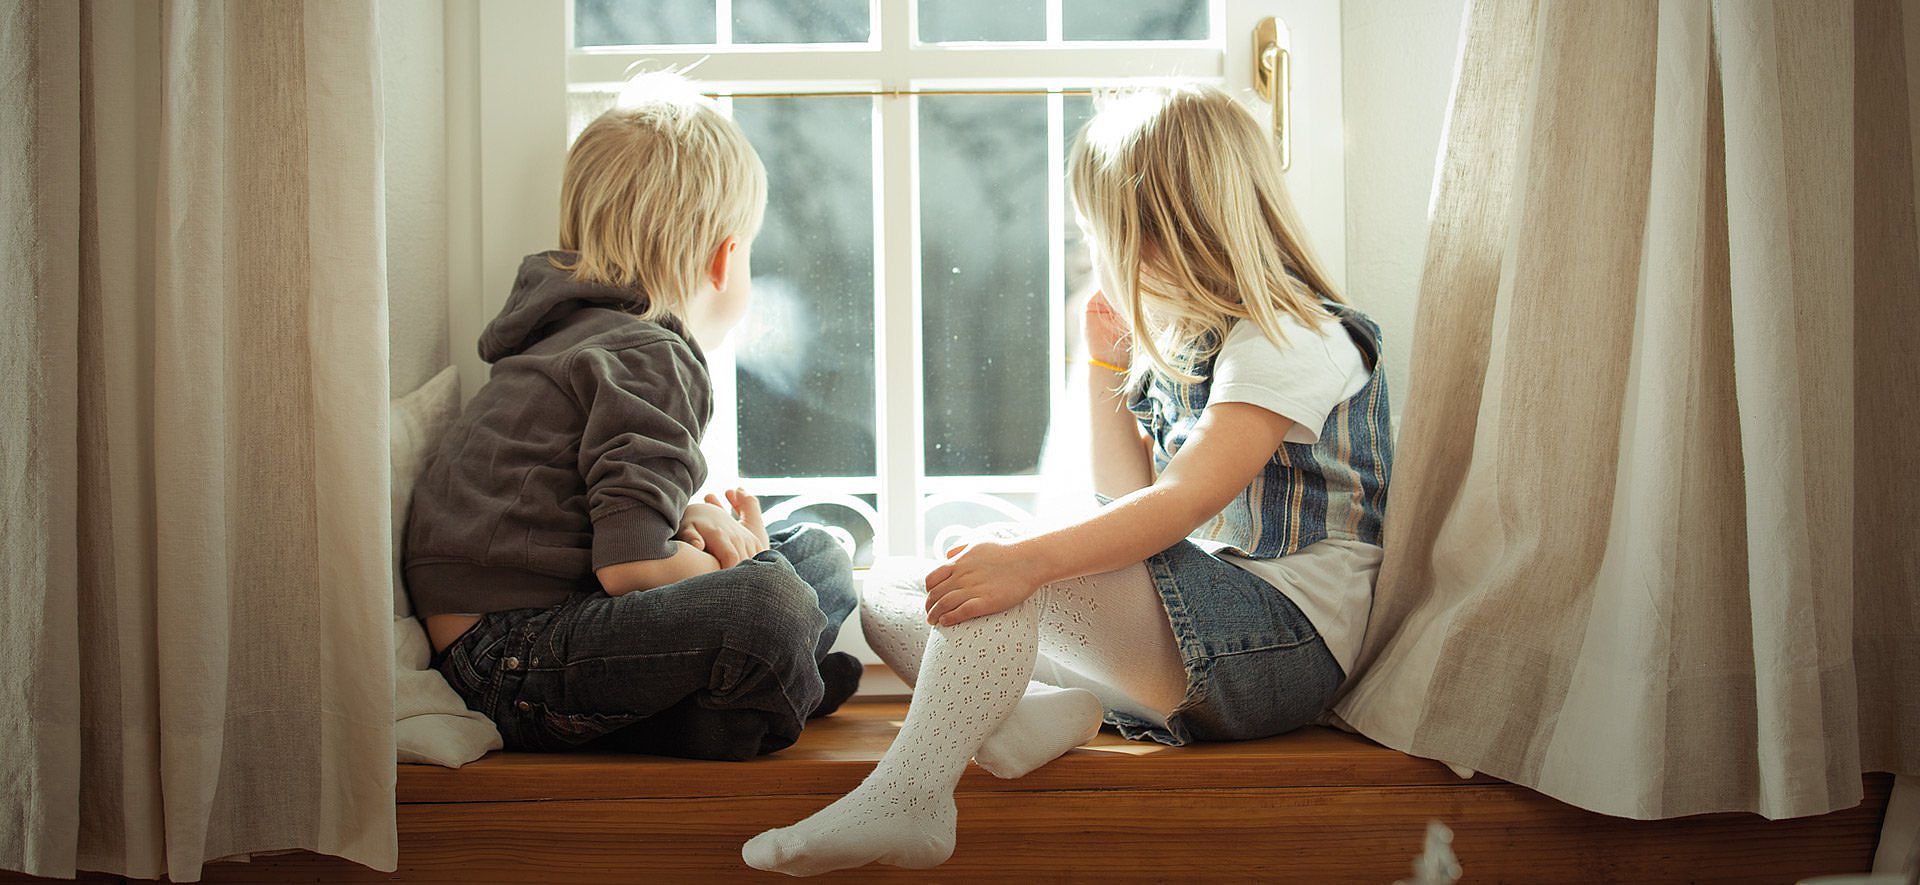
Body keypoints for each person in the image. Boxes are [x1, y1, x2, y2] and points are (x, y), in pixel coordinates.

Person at [743, 82, 1393, 875]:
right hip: (1203, 638)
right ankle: (1019, 718)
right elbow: (1125, 499)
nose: (1093, 256)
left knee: (1004, 569)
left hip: (1282, 648)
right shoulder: (1191, 343)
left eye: (1099, 234)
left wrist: (1027, 559)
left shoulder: (1293, 337)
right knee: (900, 588)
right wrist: (1104, 364)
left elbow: (1180, 502)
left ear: (1160, 234)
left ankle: (911, 796)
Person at [404, 72, 861, 762]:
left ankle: (762, 687)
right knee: (775, 600)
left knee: (817, 557)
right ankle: (744, 706)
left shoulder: (570, 332)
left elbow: (588, 513)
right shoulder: (652, 352)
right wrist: (739, 565)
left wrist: (692, 523)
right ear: (723, 259)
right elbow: (632, 568)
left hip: (498, 648)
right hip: (514, 657)